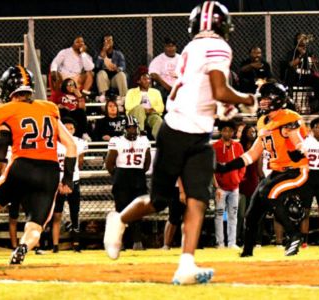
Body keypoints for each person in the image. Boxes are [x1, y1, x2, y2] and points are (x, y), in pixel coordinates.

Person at [104, 1, 256, 285]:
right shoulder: (219, 47)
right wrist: (247, 99)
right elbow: (219, 89)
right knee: (159, 201)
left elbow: (194, 91)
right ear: (221, 25)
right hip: (177, 131)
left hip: (194, 133)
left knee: (198, 198)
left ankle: (186, 265)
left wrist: (220, 107)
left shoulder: (191, 48)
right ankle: (119, 220)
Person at [0, 65, 77, 265]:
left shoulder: (7, 110)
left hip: (22, 166)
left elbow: (1, 151)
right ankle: (22, 248)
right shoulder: (48, 109)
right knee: (36, 225)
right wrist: (68, 180)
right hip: (49, 172)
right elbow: (71, 145)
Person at [216, 82, 308, 258]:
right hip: (276, 172)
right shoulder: (263, 122)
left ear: (276, 99)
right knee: (252, 214)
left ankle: (294, 235)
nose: (262, 102)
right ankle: (247, 252)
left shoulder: (287, 118)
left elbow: (300, 143)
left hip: (295, 170)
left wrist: (298, 152)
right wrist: (226, 167)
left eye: (266, 98)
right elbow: (251, 154)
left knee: (268, 192)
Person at [105, 115, 151, 250]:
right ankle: (120, 242)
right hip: (123, 176)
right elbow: (109, 163)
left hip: (137, 176)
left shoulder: (144, 140)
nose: (132, 130)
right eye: (129, 128)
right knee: (121, 211)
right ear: (124, 129)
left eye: (134, 128)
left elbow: (147, 162)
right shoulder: (116, 141)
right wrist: (117, 175)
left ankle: (137, 242)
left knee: (137, 211)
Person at [51, 117, 88, 253]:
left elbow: (80, 163)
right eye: (66, 128)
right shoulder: (53, 143)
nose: (68, 130)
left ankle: (76, 244)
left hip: (73, 181)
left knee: (75, 214)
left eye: (71, 128)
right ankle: (55, 246)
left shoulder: (78, 143)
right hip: (57, 182)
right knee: (56, 214)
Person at [213, 120, 245, 249]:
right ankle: (220, 242)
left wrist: (238, 178)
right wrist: (217, 187)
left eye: (230, 130)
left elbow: (243, 165)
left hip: (234, 187)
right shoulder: (214, 147)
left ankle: (232, 242)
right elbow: (212, 169)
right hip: (221, 188)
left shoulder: (238, 147)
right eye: (225, 130)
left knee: (233, 215)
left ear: (233, 132)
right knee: (219, 214)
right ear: (220, 131)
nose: (227, 133)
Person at [299, 117, 319, 248]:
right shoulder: (306, 142)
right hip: (308, 176)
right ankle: (303, 241)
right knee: (305, 210)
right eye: (317, 127)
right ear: (312, 129)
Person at [283, 33, 319, 113]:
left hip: (306, 75)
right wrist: (301, 55)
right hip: (296, 76)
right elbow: (291, 64)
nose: (303, 40)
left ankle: (317, 102)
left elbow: (316, 66)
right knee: (291, 76)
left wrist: (316, 62)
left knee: (316, 80)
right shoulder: (292, 52)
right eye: (300, 38)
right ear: (296, 40)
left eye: (304, 38)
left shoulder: (309, 52)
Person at [50, 36, 94, 103]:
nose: (80, 44)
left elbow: (90, 68)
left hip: (76, 78)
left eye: (82, 42)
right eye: (77, 42)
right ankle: (57, 96)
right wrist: (53, 70)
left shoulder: (86, 56)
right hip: (63, 76)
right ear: (73, 44)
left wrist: (83, 53)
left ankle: (83, 95)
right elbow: (55, 62)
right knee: (56, 73)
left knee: (89, 73)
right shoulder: (64, 52)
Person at [125, 67, 164, 139]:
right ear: (139, 81)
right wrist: (143, 109)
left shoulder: (156, 92)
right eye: (144, 79)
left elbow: (161, 107)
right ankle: (140, 136)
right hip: (135, 115)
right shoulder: (131, 92)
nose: (147, 81)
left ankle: (160, 141)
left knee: (158, 120)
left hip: (151, 114)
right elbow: (128, 106)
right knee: (139, 109)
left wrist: (151, 110)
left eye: (149, 79)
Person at [95, 34, 128, 100]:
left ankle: (123, 97)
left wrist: (118, 68)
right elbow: (97, 66)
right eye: (105, 40)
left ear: (113, 42)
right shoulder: (99, 53)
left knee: (121, 74)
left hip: (114, 79)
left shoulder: (118, 54)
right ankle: (102, 96)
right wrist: (102, 54)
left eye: (109, 40)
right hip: (104, 79)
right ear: (103, 42)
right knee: (101, 73)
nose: (107, 42)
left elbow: (123, 66)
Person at [149, 37, 180, 101]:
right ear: (164, 47)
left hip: (179, 86)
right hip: (164, 87)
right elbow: (153, 74)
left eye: (172, 46)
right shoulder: (158, 59)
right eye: (168, 46)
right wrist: (168, 87)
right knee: (159, 90)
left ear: (176, 47)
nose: (170, 49)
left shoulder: (181, 58)